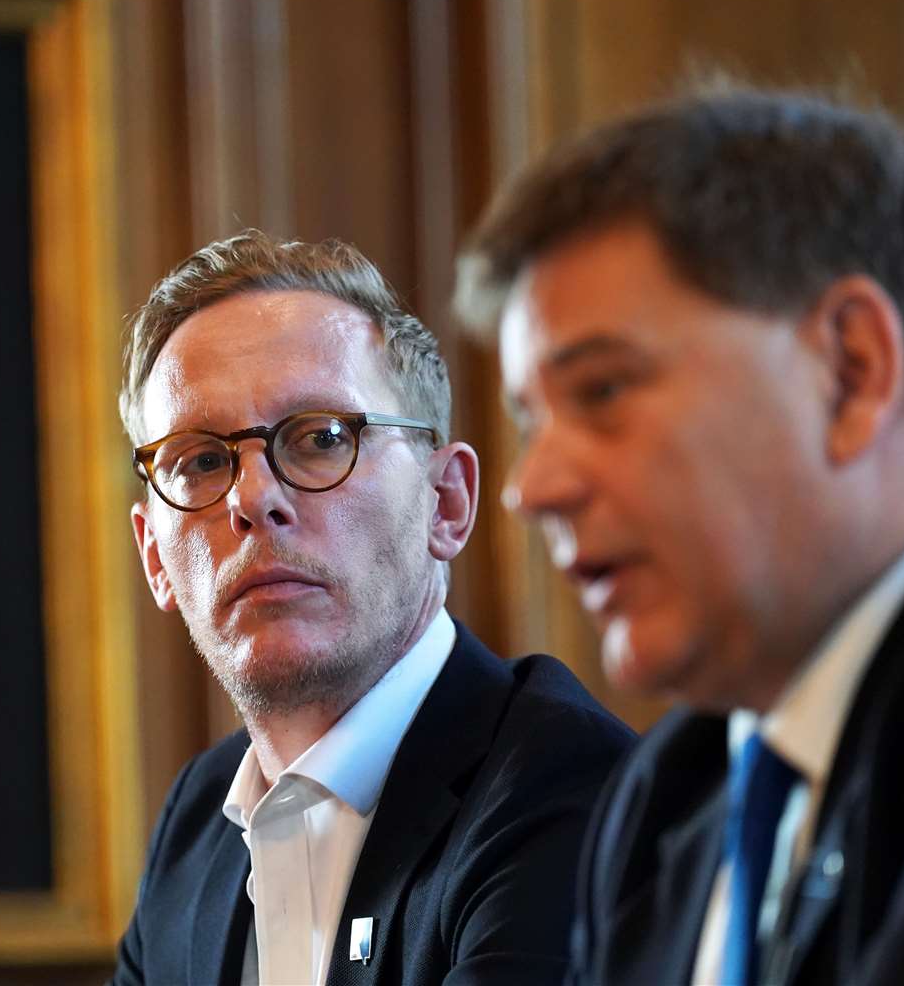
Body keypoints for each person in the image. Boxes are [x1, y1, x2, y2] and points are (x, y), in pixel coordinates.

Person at [456, 83, 904, 984]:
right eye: (534, 420)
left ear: (852, 371)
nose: (531, 486)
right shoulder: (667, 800)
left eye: (604, 391)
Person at [111, 231, 634, 984]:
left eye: (321, 439)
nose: (254, 499)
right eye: (199, 461)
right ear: (155, 559)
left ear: (445, 503)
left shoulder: (568, 788)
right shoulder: (194, 825)